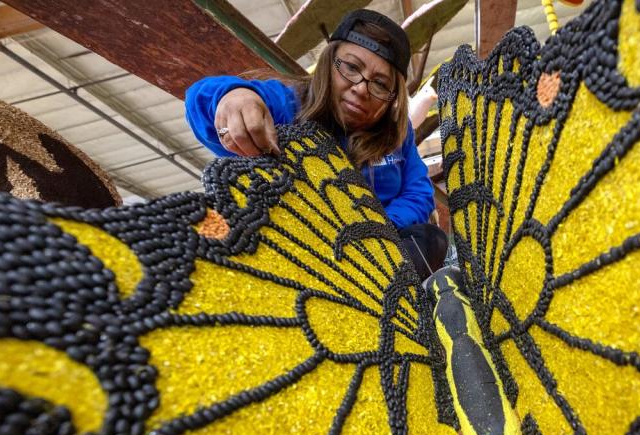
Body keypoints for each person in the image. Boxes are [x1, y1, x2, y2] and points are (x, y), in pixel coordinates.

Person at [184, 9, 447, 280]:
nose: (360, 88)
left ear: (392, 97)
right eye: (351, 67)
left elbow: (418, 193)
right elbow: (198, 100)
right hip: (303, 256)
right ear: (329, 62)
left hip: (380, 256)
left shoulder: (396, 137)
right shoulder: (288, 106)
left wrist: (378, 228)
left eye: (380, 84)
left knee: (432, 239)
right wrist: (232, 97)